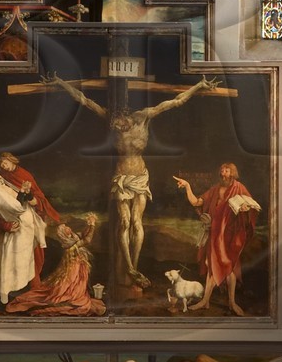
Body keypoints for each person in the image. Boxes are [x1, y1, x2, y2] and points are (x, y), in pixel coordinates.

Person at [45, 72, 216, 289]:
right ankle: (129, 267)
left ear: (127, 117)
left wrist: (200, 85)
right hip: (121, 179)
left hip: (141, 176)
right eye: (114, 127)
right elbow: (83, 100)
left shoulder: (143, 116)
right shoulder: (110, 118)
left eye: (119, 125)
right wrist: (60, 82)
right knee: (124, 223)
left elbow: (176, 101)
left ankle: (134, 266)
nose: (117, 128)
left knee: (137, 223)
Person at [173, 161, 261, 313]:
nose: (223, 174)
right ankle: (207, 301)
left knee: (230, 266)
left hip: (231, 234)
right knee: (211, 264)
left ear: (233, 173)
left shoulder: (240, 188)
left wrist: (245, 210)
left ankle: (231, 302)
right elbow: (196, 202)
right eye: (222, 171)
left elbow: (250, 208)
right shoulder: (215, 189)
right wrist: (187, 186)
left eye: (226, 171)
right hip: (215, 233)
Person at [0, 152, 60, 307]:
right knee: (11, 262)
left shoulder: (23, 175)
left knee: (30, 258)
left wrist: (27, 194)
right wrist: (6, 225)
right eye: (1, 165)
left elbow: (35, 199)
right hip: (11, 232)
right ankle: (9, 294)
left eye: (5, 163)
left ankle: (33, 292)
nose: (3, 166)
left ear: (11, 160)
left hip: (28, 226)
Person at [4, 213, 105, 315]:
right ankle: (70, 297)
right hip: (74, 268)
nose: (67, 227)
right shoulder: (70, 246)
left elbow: (83, 234)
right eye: (64, 228)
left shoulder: (73, 237)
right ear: (64, 235)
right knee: (70, 287)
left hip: (79, 266)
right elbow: (87, 240)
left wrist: (89, 224)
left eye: (66, 226)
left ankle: (74, 295)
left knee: (75, 286)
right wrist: (92, 225)